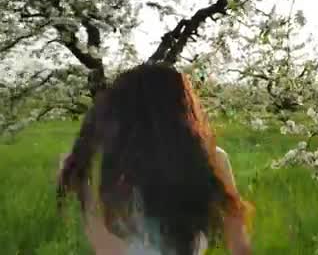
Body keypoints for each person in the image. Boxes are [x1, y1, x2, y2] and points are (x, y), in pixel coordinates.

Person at [56, 63, 251, 255]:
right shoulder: (210, 160)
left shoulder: (89, 166)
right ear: (181, 107)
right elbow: (239, 246)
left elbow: (104, 247)